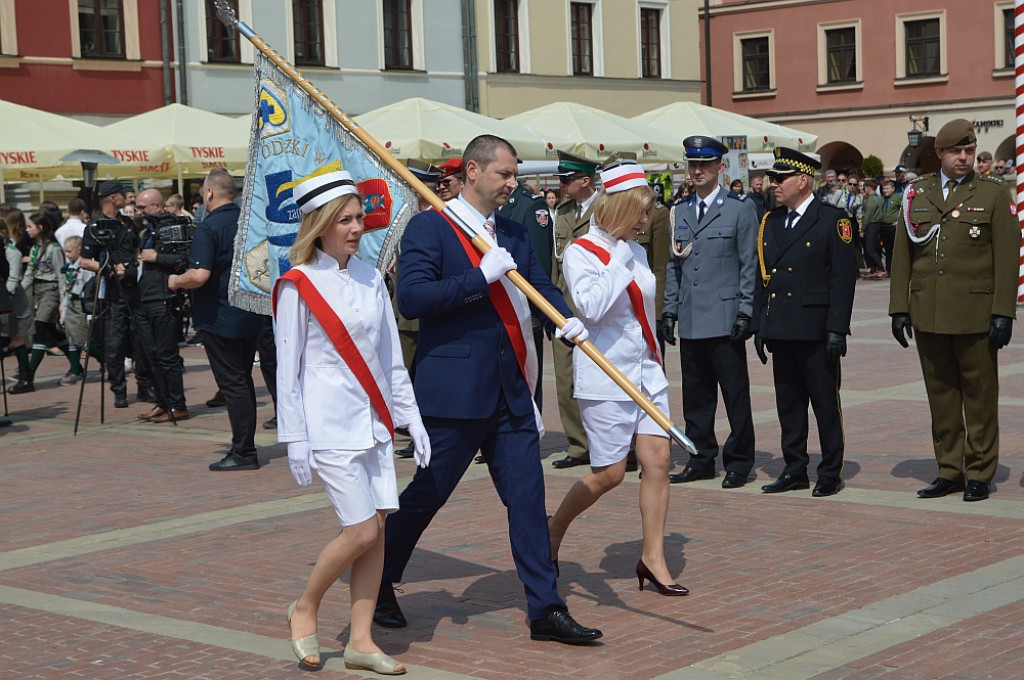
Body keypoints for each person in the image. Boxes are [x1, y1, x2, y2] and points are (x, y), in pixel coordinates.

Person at [374, 134, 601, 645]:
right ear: (473, 171)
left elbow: (538, 285)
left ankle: (545, 607)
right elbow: (411, 298)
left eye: (514, 175)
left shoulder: (516, 234)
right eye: (504, 174)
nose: (512, 184)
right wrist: (479, 277)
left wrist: (567, 319)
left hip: (512, 391)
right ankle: (379, 579)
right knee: (426, 496)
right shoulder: (430, 227)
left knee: (526, 499)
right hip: (454, 392)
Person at [275, 170, 430, 673]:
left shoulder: (369, 277)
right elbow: (288, 369)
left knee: (379, 532)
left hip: (375, 424)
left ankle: (360, 641)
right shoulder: (298, 285)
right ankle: (305, 608)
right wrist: (294, 437)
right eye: (344, 219)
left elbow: (389, 360)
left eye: (359, 217)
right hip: (329, 425)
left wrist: (411, 418)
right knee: (361, 532)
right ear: (318, 225)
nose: (356, 227)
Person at [548, 159, 686, 597]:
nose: (646, 221)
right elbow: (590, 308)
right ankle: (551, 531)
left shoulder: (638, 249)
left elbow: (644, 305)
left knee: (659, 462)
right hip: (606, 376)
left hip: (646, 369)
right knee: (609, 474)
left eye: (648, 213)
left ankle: (653, 558)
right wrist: (619, 258)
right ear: (622, 208)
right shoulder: (581, 251)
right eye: (641, 212)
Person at [889, 119, 1018, 503]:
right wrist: (899, 308)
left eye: (969, 150)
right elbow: (902, 255)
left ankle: (978, 471)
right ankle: (948, 470)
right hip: (928, 311)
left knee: (979, 396)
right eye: (956, 152)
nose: (964, 158)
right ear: (940, 155)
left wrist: (1003, 312)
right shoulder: (918, 193)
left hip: (976, 313)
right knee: (941, 395)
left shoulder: (993, 194)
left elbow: (1008, 257)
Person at [753, 147, 857, 497]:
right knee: (789, 403)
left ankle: (830, 470)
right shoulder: (772, 221)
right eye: (772, 178)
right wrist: (760, 325)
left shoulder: (833, 220)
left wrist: (836, 329)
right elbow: (763, 278)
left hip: (815, 329)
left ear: (803, 180)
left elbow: (843, 279)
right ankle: (794, 467)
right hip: (782, 327)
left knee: (824, 402)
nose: (774, 184)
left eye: (780, 178)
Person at [661, 136, 758, 487]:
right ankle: (701, 457)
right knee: (696, 396)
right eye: (692, 164)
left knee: (735, 395)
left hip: (725, 317)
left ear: (720, 168)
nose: (697, 171)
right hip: (690, 318)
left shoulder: (739, 208)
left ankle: (739, 461)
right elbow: (676, 265)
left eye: (705, 164)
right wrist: (669, 310)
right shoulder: (681, 210)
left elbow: (749, 264)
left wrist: (747, 311)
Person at [169, 169, 264, 471]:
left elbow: (199, 275)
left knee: (233, 383)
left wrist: (175, 280)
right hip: (249, 310)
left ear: (210, 193)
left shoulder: (209, 227)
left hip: (219, 315)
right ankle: (245, 446)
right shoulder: (250, 221)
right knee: (243, 380)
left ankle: (244, 451)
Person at [549, 150, 600, 469]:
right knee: (565, 381)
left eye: (567, 179)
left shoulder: (605, 208)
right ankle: (579, 445)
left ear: (585, 180)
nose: (561, 185)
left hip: (597, 308)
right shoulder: (563, 211)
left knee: (601, 381)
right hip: (565, 307)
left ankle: (615, 445)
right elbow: (556, 263)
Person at [80, 180, 142, 408]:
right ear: (111, 198)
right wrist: (109, 269)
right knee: (114, 346)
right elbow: (85, 262)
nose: (126, 196)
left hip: (134, 289)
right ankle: (119, 390)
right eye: (121, 194)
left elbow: (137, 251)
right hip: (112, 293)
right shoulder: (95, 228)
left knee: (140, 341)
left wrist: (132, 266)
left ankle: (144, 385)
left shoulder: (127, 224)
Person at [133, 189, 190, 423]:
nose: (139, 212)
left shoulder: (174, 228)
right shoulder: (147, 231)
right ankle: (162, 402)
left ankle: (177, 405)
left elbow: (184, 260)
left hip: (163, 299)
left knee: (167, 356)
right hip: (144, 299)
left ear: (158, 206)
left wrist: (156, 257)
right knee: (151, 356)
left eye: (142, 208)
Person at [498, 177, 555, 408]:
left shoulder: (531, 206)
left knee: (527, 381)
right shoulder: (492, 205)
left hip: (524, 310)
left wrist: (537, 311)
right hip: (497, 308)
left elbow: (539, 264)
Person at [13, 212, 77, 392]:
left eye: (30, 226)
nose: (27, 230)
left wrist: (64, 300)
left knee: (39, 331)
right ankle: (79, 365)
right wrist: (16, 293)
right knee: (55, 334)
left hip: (51, 291)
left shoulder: (54, 249)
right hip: (38, 291)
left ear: (40, 228)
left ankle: (28, 376)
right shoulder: (34, 249)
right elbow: (28, 276)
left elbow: (60, 275)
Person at [59, 235, 100, 383]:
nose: (67, 254)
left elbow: (91, 290)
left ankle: (104, 360)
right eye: (66, 251)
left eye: (70, 251)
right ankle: (75, 369)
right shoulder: (69, 267)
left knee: (82, 340)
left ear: (79, 250)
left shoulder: (86, 267)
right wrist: (63, 312)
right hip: (70, 303)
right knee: (71, 339)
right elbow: (66, 291)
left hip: (81, 304)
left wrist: (91, 314)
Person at [2, 211, 35, 393]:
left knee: (17, 339)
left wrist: (3, 297)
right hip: (5, 303)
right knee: (12, 340)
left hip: (13, 303)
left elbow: (13, 279)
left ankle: (26, 378)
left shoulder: (12, 252)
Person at [859, 179, 885, 279]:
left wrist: (862, 230)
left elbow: (868, 216)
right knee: (872, 246)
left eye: (865, 188)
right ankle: (873, 269)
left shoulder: (871, 199)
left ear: (869, 188)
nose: (864, 190)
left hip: (872, 225)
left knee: (870, 248)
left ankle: (881, 268)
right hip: (876, 224)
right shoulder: (877, 198)